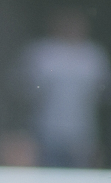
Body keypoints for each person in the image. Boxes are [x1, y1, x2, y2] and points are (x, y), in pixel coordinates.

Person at [17, 6, 110, 168]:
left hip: (82, 132)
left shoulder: (93, 55)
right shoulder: (42, 52)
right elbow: (22, 88)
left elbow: (104, 92)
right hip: (45, 130)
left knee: (80, 176)